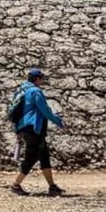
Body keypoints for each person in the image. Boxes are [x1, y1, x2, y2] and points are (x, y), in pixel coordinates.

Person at [11, 67, 65, 196]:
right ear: (37, 79)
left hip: (23, 126)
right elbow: (44, 109)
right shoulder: (35, 91)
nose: (42, 82)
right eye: (41, 79)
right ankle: (15, 184)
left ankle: (52, 186)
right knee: (31, 156)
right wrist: (58, 121)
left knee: (44, 156)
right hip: (33, 127)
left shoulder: (22, 89)